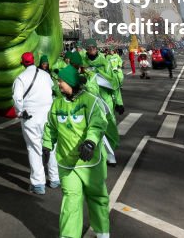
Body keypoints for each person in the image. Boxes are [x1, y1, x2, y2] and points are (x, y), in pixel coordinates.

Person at [42, 65, 109, 238]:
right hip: (67, 163)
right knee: (71, 201)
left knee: (97, 198)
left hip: (90, 162)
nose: (58, 84)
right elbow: (50, 127)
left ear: (71, 82)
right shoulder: (57, 104)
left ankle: (102, 233)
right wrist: (47, 145)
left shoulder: (90, 100)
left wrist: (91, 142)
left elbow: (98, 123)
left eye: (61, 81)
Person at [12, 52, 59, 195]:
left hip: (30, 117)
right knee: (51, 145)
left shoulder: (20, 78)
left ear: (22, 63)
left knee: (34, 148)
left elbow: (16, 98)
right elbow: (53, 90)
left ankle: (38, 184)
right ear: (34, 61)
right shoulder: (45, 75)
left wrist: (20, 112)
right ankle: (55, 178)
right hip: (48, 115)